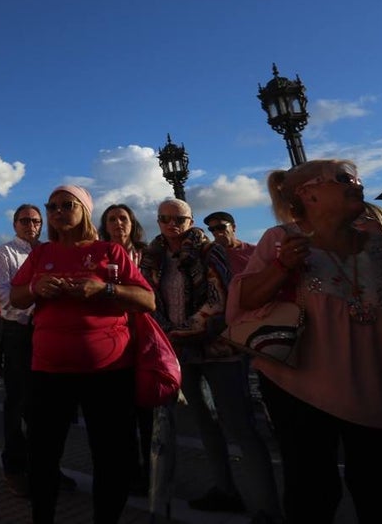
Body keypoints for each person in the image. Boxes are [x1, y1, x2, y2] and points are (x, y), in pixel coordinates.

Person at [227, 160, 382, 524]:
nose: (356, 184)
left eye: (356, 178)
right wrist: (282, 266)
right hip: (300, 384)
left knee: (379, 486)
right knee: (313, 488)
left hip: (375, 379)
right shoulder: (281, 240)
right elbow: (245, 300)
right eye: (342, 179)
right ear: (309, 194)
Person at [10, 185, 155, 524]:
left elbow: (147, 301)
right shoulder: (40, 253)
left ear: (84, 210)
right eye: (52, 206)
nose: (58, 211)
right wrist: (35, 288)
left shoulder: (110, 251)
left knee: (110, 456)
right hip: (49, 371)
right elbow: (16, 297)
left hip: (109, 372)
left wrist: (103, 288)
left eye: (67, 205)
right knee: (43, 454)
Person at [140, 199, 281, 522]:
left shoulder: (209, 252)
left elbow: (220, 299)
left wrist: (183, 331)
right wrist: (166, 331)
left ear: (190, 221)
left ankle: (269, 508)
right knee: (204, 423)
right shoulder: (153, 256)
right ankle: (225, 489)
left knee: (240, 425)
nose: (170, 224)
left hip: (218, 348)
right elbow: (149, 297)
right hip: (181, 351)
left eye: (178, 219)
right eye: (164, 218)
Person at [0, 204, 78, 496]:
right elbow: (0, 296)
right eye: (25, 220)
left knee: (50, 406)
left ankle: (47, 467)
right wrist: (33, 312)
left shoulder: (50, 250)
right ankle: (14, 469)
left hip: (51, 333)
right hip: (20, 332)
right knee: (18, 402)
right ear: (14, 224)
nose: (31, 225)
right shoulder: (5, 254)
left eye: (36, 221)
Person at [97, 203, 152, 498]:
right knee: (120, 411)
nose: (118, 223)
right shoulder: (99, 255)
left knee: (149, 409)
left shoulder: (148, 254)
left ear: (132, 223)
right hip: (114, 337)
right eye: (112, 219)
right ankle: (128, 470)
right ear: (104, 226)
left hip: (147, 335)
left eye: (123, 218)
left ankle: (152, 471)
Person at [203, 210, 257, 275]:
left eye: (221, 227)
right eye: (212, 229)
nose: (216, 232)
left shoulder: (255, 251)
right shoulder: (210, 254)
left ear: (233, 227)